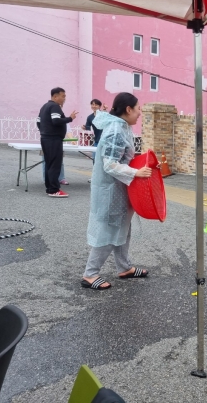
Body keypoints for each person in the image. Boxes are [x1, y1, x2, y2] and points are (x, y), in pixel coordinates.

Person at [81, 92, 152, 290]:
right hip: (111, 189)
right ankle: (90, 274)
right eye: (138, 108)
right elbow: (110, 164)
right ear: (128, 109)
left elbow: (122, 157)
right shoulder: (115, 131)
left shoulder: (122, 127)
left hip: (119, 187)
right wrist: (136, 172)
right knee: (110, 230)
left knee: (123, 227)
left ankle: (124, 267)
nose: (140, 113)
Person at [37, 87, 77, 197]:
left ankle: (50, 188)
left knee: (49, 164)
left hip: (46, 138)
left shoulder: (44, 106)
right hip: (53, 139)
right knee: (55, 164)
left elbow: (38, 122)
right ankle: (54, 190)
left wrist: (44, 131)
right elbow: (56, 121)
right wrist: (70, 118)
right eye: (63, 96)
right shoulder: (55, 106)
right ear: (55, 96)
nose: (64, 99)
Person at [82, 98, 106, 183]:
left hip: (106, 141)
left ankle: (104, 177)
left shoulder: (104, 114)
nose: (94, 106)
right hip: (97, 141)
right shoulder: (90, 117)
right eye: (92, 104)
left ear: (99, 106)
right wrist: (84, 127)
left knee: (105, 160)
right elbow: (88, 129)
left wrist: (105, 111)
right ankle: (95, 177)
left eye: (96, 104)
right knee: (95, 159)